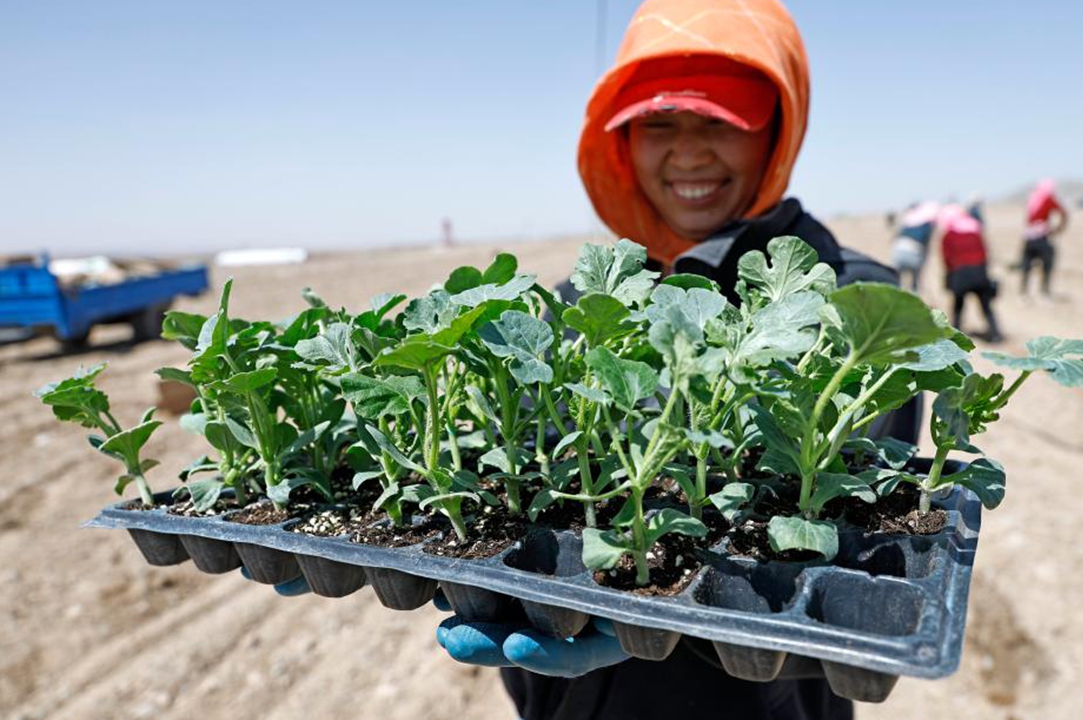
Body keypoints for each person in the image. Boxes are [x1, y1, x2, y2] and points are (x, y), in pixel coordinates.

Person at [263, 1, 918, 718]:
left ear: (779, 129)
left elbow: (842, 543)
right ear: (623, 139)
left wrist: (674, 622)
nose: (690, 153)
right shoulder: (568, 305)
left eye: (722, 122)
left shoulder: (857, 302)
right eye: (659, 124)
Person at [937, 204, 1003, 342]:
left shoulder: (949, 234)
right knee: (986, 306)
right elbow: (985, 253)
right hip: (979, 271)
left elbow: (947, 258)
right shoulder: (975, 232)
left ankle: (954, 336)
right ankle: (996, 334)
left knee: (958, 307)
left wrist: (950, 276)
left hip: (960, 274)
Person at [1021, 178, 1068, 296]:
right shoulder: (1047, 197)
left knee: (1027, 265)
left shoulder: (1032, 197)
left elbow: (1028, 218)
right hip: (1041, 236)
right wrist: (1059, 229)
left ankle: (1023, 292)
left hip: (1028, 236)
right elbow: (1063, 212)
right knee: (1047, 263)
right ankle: (1044, 290)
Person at [889, 200, 939, 292]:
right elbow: (926, 243)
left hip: (898, 251)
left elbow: (897, 237)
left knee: (897, 282)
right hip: (915, 252)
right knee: (915, 284)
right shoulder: (926, 223)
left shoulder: (908, 220)